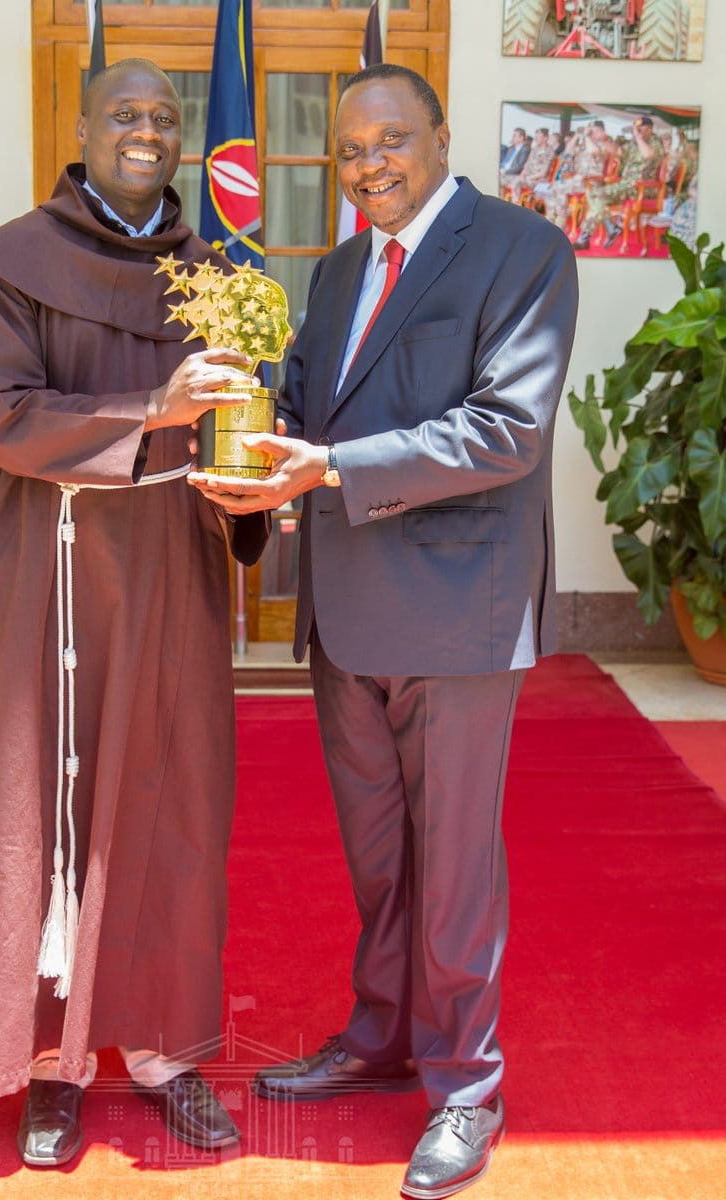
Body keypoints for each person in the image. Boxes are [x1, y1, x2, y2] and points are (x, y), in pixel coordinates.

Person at [190, 62, 578, 1200]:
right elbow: (306, 407)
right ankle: (382, 1036)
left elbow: (505, 429)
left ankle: (465, 1085)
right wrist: (247, 451)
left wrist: (327, 468)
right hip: (348, 614)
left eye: (391, 141)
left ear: (439, 136)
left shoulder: (521, 253)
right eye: (352, 148)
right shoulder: (338, 267)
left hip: (459, 615)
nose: (369, 165)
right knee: (379, 859)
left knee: (453, 866)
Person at [0, 58, 268, 1169]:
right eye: (126, 113)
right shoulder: (12, 261)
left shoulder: (213, 270)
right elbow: (0, 411)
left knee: (170, 800)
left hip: (168, 555)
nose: (149, 132)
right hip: (40, 565)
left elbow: (236, 413)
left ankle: (164, 1051)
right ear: (81, 128)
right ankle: (51, 1068)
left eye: (166, 119)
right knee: (39, 810)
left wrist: (255, 476)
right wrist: (149, 408)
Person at [574, 114, 659, 250]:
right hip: (626, 185)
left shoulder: (655, 143)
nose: (637, 131)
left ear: (649, 130)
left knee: (598, 195)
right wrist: (605, 139)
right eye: (636, 129)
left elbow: (648, 155)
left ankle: (587, 237)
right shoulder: (633, 144)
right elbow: (617, 152)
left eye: (641, 129)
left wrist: (638, 137)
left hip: (641, 187)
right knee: (594, 194)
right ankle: (609, 227)